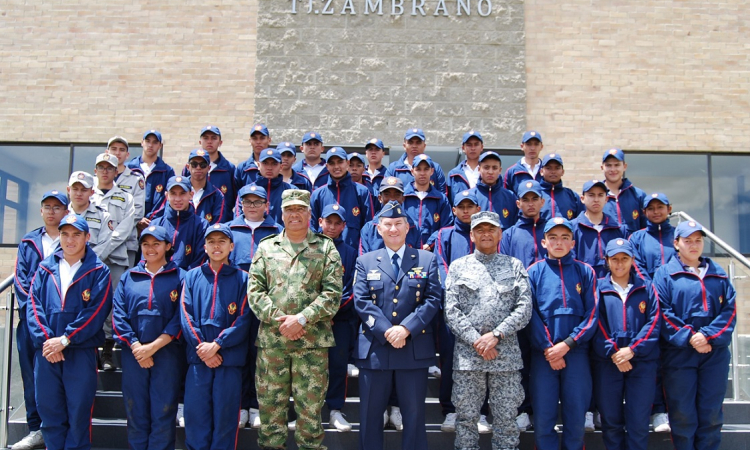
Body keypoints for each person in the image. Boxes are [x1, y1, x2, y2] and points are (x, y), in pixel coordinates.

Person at [247, 189, 342, 450]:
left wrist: (301, 319)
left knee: (310, 417)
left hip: (311, 346)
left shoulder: (325, 247)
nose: (295, 214)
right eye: (290, 210)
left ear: (310, 213)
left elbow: (333, 294)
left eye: (300, 209)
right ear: (281, 213)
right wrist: (281, 321)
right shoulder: (267, 247)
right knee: (270, 416)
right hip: (273, 346)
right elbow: (254, 291)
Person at [353, 200, 441, 450]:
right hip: (375, 351)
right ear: (378, 229)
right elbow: (360, 301)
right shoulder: (366, 261)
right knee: (370, 417)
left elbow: (433, 298)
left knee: (414, 418)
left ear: (407, 227)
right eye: (388, 224)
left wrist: (406, 328)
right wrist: (387, 330)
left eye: (398, 224)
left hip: (413, 349)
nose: (393, 229)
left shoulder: (426, 259)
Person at [444, 210, 532, 450]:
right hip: (468, 360)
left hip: (505, 358)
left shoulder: (514, 266)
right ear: (471, 235)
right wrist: (477, 341)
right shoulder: (458, 266)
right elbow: (451, 311)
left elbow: (524, 308)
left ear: (500, 234)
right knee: (466, 421)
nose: (486, 234)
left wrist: (495, 335)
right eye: (480, 230)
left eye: (491, 229)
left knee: (506, 421)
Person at [26, 214, 113, 450]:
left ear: (87, 237)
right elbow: (34, 307)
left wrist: (65, 340)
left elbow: (96, 312)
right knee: (50, 412)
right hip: (47, 353)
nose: (70, 240)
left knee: (78, 415)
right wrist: (48, 342)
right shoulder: (45, 268)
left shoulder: (99, 271)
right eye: (65, 234)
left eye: (76, 234)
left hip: (80, 352)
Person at [654, 220, 736, 450]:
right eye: (687, 240)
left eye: (698, 240)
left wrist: (708, 336)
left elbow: (729, 311)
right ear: (676, 243)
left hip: (714, 354)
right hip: (679, 354)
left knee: (711, 412)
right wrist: (690, 337)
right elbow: (662, 311)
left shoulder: (718, 274)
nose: (693, 245)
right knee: (682, 413)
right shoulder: (665, 274)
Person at [526, 217, 598, 450]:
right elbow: (529, 314)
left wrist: (568, 344)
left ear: (573, 242)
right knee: (544, 416)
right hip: (543, 356)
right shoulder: (533, 272)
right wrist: (548, 348)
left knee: (576, 416)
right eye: (553, 238)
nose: (559, 242)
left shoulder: (585, 272)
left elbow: (592, 314)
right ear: (544, 242)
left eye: (565, 237)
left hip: (576, 354)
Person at [112, 225, 185, 450]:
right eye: (145, 244)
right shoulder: (128, 277)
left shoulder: (180, 277)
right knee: (135, 410)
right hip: (134, 355)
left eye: (156, 244)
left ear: (168, 246)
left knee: (164, 410)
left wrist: (152, 347)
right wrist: (136, 347)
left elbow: (180, 317)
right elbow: (118, 315)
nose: (150, 249)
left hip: (167, 355)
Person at [180, 223, 252, 450]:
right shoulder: (191, 277)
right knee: (196, 419)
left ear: (231, 246)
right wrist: (204, 348)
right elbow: (185, 314)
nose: (216, 246)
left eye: (222, 241)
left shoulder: (243, 279)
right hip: (199, 361)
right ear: (204, 246)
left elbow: (244, 319)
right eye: (211, 241)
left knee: (225, 421)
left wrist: (218, 345)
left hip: (228, 362)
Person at [429, 190, 492, 434]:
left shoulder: (486, 235)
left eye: (470, 206)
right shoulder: (445, 234)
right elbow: (440, 266)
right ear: (453, 209)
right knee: (451, 360)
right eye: (461, 206)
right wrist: (459, 297)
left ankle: (481, 413)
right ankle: (450, 410)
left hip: (483, 311)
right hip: (453, 311)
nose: (466, 210)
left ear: (477, 208)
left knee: (482, 361)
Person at [11, 190, 69, 450]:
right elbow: (21, 283)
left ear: (66, 211)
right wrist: (36, 315)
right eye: (47, 207)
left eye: (57, 207)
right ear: (41, 210)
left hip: (59, 322)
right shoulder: (28, 241)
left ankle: (59, 427)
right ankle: (36, 428)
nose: (52, 211)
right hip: (31, 322)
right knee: (29, 375)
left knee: (59, 378)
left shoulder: (72, 238)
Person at [592, 239, 660, 450]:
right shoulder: (598, 288)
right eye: (614, 259)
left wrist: (632, 350)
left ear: (632, 260)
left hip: (641, 362)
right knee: (610, 421)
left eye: (624, 259)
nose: (619, 264)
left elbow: (654, 320)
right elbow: (595, 321)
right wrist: (614, 352)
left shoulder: (646, 287)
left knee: (638, 421)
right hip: (608, 362)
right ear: (607, 261)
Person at [228, 184, 283, 430]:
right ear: (240, 204)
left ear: (266, 206)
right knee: (239, 355)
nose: (252, 206)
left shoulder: (277, 231)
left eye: (257, 202)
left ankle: (258, 406)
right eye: (247, 202)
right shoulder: (229, 230)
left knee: (263, 358)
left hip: (268, 304)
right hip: (235, 304)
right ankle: (240, 405)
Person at [499, 180, 547, 431]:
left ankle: (543, 410)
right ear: (518, 204)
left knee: (544, 362)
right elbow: (505, 270)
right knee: (521, 361)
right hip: (519, 307)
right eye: (525, 199)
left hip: (548, 307)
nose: (530, 204)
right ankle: (522, 410)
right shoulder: (509, 234)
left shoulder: (554, 230)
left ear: (543, 201)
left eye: (534, 199)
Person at [627, 192, 675, 432]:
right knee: (652, 360)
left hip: (677, 308)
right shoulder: (636, 238)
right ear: (644, 212)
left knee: (672, 363)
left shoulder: (678, 236)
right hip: (650, 306)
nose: (656, 211)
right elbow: (637, 268)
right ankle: (657, 410)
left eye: (660, 207)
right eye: (651, 208)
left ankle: (668, 409)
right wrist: (656, 291)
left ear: (669, 208)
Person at [92, 152, 136, 370]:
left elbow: (125, 230)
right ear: (95, 170)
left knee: (112, 304)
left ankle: (108, 351)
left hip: (116, 258)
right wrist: (94, 254)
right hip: (88, 260)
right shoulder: (88, 196)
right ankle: (91, 350)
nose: (105, 171)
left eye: (109, 167)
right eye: (101, 167)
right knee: (87, 302)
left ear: (116, 170)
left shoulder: (126, 197)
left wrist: (101, 250)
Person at [318, 203, 358, 432]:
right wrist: (316, 314)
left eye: (337, 223)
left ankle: (335, 409)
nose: (332, 227)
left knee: (337, 363)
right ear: (320, 221)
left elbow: (351, 289)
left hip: (339, 320)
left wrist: (329, 313)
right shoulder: (309, 247)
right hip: (311, 321)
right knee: (310, 366)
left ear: (344, 225)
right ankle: (308, 412)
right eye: (328, 222)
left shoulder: (350, 253)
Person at [310, 147, 374, 249]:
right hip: (323, 255)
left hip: (353, 255)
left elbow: (369, 227)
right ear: (327, 166)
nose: (336, 167)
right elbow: (312, 227)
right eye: (332, 163)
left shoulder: (362, 192)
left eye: (340, 162)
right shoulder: (317, 194)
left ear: (347, 163)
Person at [149, 176, 209, 270]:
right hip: (160, 276)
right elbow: (148, 257)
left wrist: (185, 277)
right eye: (173, 194)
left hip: (188, 279)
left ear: (191, 195)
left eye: (182, 194)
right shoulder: (155, 224)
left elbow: (201, 259)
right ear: (167, 195)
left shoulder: (201, 225)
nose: (177, 199)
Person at [572, 180, 628, 278]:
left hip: (611, 286)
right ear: (582, 199)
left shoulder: (618, 229)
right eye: (591, 195)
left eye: (600, 195)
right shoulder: (572, 228)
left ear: (606, 199)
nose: (596, 199)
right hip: (583, 284)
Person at [181, 125, 237, 221]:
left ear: (220, 142)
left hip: (222, 221)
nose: (209, 141)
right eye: (206, 138)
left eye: (214, 138)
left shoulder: (229, 168)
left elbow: (235, 197)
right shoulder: (189, 168)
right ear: (200, 142)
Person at [105, 136, 146, 267]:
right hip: (99, 242)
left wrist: (116, 234)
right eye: (114, 149)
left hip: (126, 243)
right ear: (107, 152)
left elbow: (137, 212)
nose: (117, 153)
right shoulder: (96, 180)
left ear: (127, 155)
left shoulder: (135, 179)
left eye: (122, 150)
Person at [402, 154, 453, 250]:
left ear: (432, 171)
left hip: (433, 252)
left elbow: (446, 226)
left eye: (426, 169)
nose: (422, 173)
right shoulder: (402, 196)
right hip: (406, 251)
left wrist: (430, 244)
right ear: (412, 171)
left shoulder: (441, 199)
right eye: (418, 169)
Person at [359, 176, 420, 255]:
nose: (392, 199)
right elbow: (363, 262)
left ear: (403, 198)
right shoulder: (369, 229)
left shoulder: (413, 227)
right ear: (380, 198)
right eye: (387, 194)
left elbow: (419, 260)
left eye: (397, 195)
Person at [127, 129, 175, 225]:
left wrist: (150, 220)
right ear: (142, 143)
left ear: (160, 146)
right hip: (129, 223)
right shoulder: (129, 168)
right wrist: (137, 219)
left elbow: (167, 200)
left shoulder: (167, 171)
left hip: (154, 224)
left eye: (155, 142)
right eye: (148, 141)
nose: (150, 145)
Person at [67, 171, 113, 260]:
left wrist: (85, 262)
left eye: (84, 190)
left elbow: (104, 246)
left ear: (92, 192)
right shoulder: (62, 214)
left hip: (92, 267)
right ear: (68, 190)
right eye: (75, 189)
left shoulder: (103, 216)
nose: (79, 193)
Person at [601, 148, 647, 236]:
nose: (613, 169)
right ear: (602, 167)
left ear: (624, 166)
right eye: (608, 165)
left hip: (632, 248)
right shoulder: (595, 197)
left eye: (617, 165)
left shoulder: (638, 195)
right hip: (606, 249)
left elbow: (646, 228)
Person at [385, 128, 447, 193]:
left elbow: (442, 196)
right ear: (404, 146)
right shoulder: (393, 169)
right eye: (410, 142)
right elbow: (386, 195)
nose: (414, 146)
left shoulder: (435, 168)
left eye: (418, 142)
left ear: (424, 146)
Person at [245, 147, 298, 223]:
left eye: (274, 164)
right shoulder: (246, 191)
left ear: (281, 167)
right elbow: (240, 219)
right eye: (265, 163)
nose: (269, 168)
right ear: (259, 165)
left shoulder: (292, 191)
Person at [471, 151, 519, 231]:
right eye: (486, 167)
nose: (490, 172)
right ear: (479, 169)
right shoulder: (471, 196)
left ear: (500, 170)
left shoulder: (510, 197)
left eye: (494, 168)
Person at [538, 153, 583, 221]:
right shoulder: (535, 194)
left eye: (557, 168)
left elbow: (580, 222)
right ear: (541, 171)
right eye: (549, 168)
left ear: (562, 171)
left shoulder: (572, 196)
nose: (553, 172)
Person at [185, 149, 225, 224]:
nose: (198, 168)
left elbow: (216, 224)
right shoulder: (179, 190)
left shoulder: (217, 195)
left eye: (203, 165)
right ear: (188, 167)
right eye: (194, 164)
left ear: (209, 168)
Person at [446, 130, 484, 202]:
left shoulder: (489, 173)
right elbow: (448, 203)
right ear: (463, 148)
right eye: (469, 145)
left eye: (476, 144)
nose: (473, 148)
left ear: (482, 147)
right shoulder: (453, 175)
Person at [504, 130, 544, 195]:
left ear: (541, 147)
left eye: (536, 144)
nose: (532, 148)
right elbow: (505, 196)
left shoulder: (546, 170)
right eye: (528, 144)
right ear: (522, 146)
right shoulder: (512, 171)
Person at [234, 123, 272, 189]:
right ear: (250, 141)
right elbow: (237, 195)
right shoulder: (242, 168)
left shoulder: (276, 166)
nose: (258, 142)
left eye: (262, 138)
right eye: (255, 138)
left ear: (269, 140)